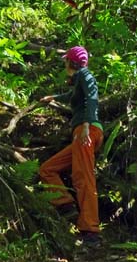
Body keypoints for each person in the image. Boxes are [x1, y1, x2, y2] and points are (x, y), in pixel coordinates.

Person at [39, 45, 103, 246]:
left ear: (71, 62)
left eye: (66, 60)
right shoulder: (79, 80)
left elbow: (91, 97)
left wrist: (85, 124)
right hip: (82, 133)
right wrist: (54, 98)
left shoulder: (85, 75)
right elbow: (74, 97)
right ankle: (66, 205)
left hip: (87, 131)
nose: (65, 63)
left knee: (83, 178)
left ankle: (90, 230)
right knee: (47, 169)